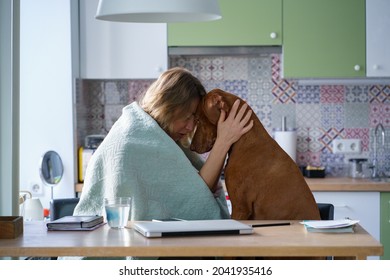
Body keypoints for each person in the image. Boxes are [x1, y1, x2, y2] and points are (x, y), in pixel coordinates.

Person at [73, 67, 253, 222]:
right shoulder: (138, 141)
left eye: (195, 119)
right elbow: (196, 197)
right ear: (167, 106)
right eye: (187, 116)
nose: (190, 127)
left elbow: (194, 191)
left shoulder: (153, 136)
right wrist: (223, 140)